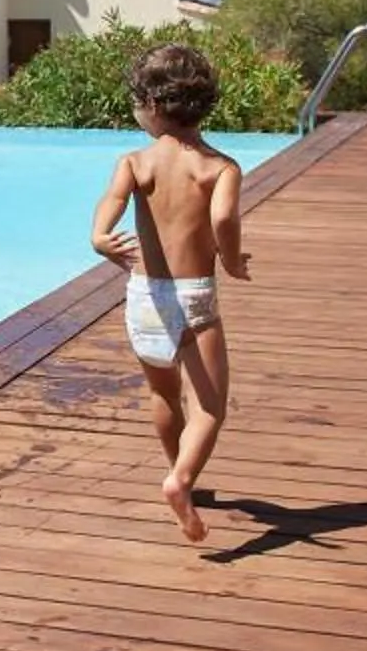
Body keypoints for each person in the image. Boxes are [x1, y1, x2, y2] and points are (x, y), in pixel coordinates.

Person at [90, 44, 250, 543]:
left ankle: (179, 474)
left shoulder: (136, 162)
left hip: (144, 295)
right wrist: (229, 256)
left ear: (152, 106)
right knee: (210, 405)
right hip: (193, 297)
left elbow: (111, 203)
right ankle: (180, 480)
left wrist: (99, 237)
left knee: (163, 393)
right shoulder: (218, 168)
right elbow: (223, 217)